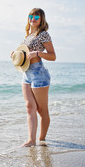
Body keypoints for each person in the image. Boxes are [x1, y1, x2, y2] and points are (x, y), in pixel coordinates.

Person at [11, 8, 56, 147]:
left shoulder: (44, 35)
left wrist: (38, 53)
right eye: (31, 16)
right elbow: (23, 55)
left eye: (37, 17)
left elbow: (53, 56)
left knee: (42, 111)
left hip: (39, 74)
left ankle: (42, 140)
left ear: (42, 19)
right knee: (29, 107)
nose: (33, 18)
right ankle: (31, 140)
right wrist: (15, 54)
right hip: (26, 74)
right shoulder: (27, 36)